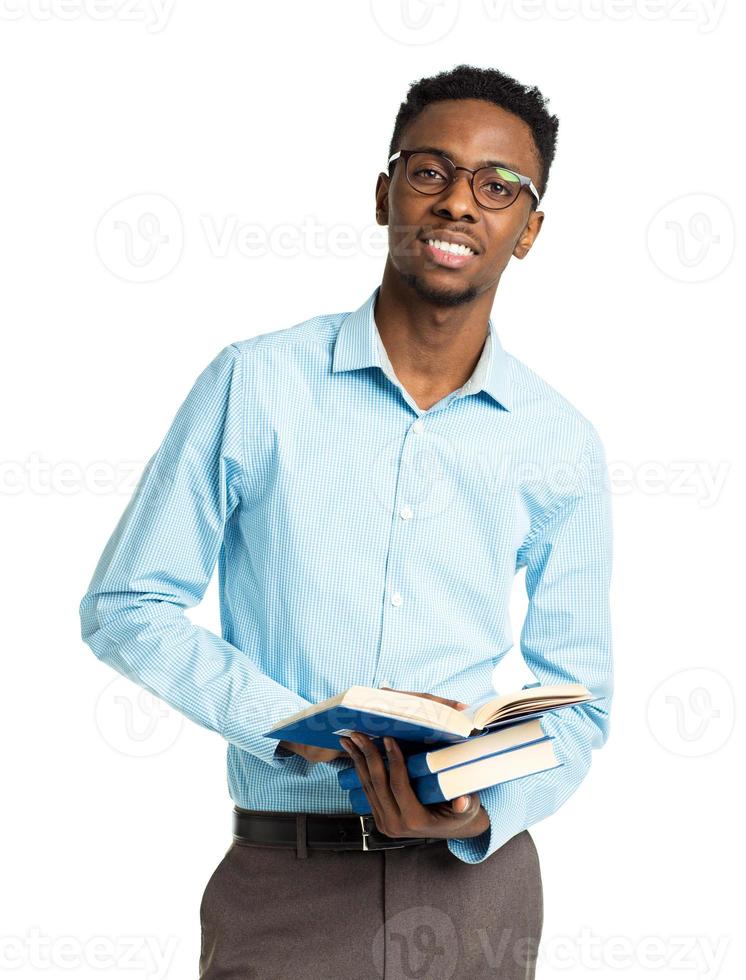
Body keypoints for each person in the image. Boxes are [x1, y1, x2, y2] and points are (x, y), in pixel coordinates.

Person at [79, 63, 613, 980]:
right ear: (385, 193)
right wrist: (286, 725)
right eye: (431, 172)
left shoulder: (559, 440)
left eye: (498, 187)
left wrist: (481, 810)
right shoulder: (255, 383)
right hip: (286, 878)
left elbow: (582, 697)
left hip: (477, 891)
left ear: (528, 231)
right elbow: (127, 602)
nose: (458, 205)